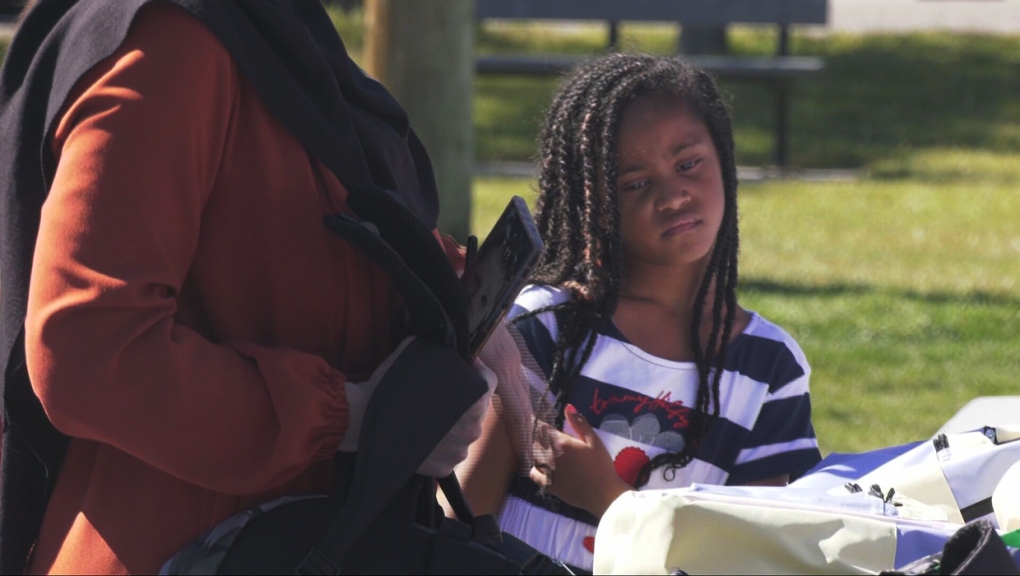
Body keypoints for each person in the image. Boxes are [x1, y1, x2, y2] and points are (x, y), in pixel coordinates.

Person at [0, 1, 499, 573]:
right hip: (187, 548)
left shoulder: (263, 25)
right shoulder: (173, 43)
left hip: (288, 537)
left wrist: (453, 290)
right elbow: (88, 351)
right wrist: (354, 418)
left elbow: (300, 209)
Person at [459, 53, 824, 574]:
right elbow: (457, 528)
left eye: (687, 163)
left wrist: (610, 500)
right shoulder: (538, 331)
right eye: (635, 183)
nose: (673, 194)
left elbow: (759, 557)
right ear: (593, 204)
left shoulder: (769, 368)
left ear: (723, 157)